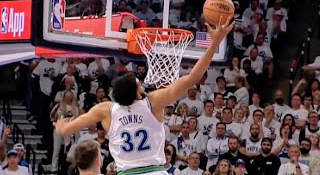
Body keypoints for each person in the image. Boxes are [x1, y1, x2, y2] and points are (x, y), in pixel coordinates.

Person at [55, 17, 234, 174]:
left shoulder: (105, 110)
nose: (142, 83)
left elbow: (69, 128)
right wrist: (215, 42)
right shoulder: (152, 102)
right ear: (137, 93)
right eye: (139, 84)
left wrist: (62, 127)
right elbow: (193, 77)